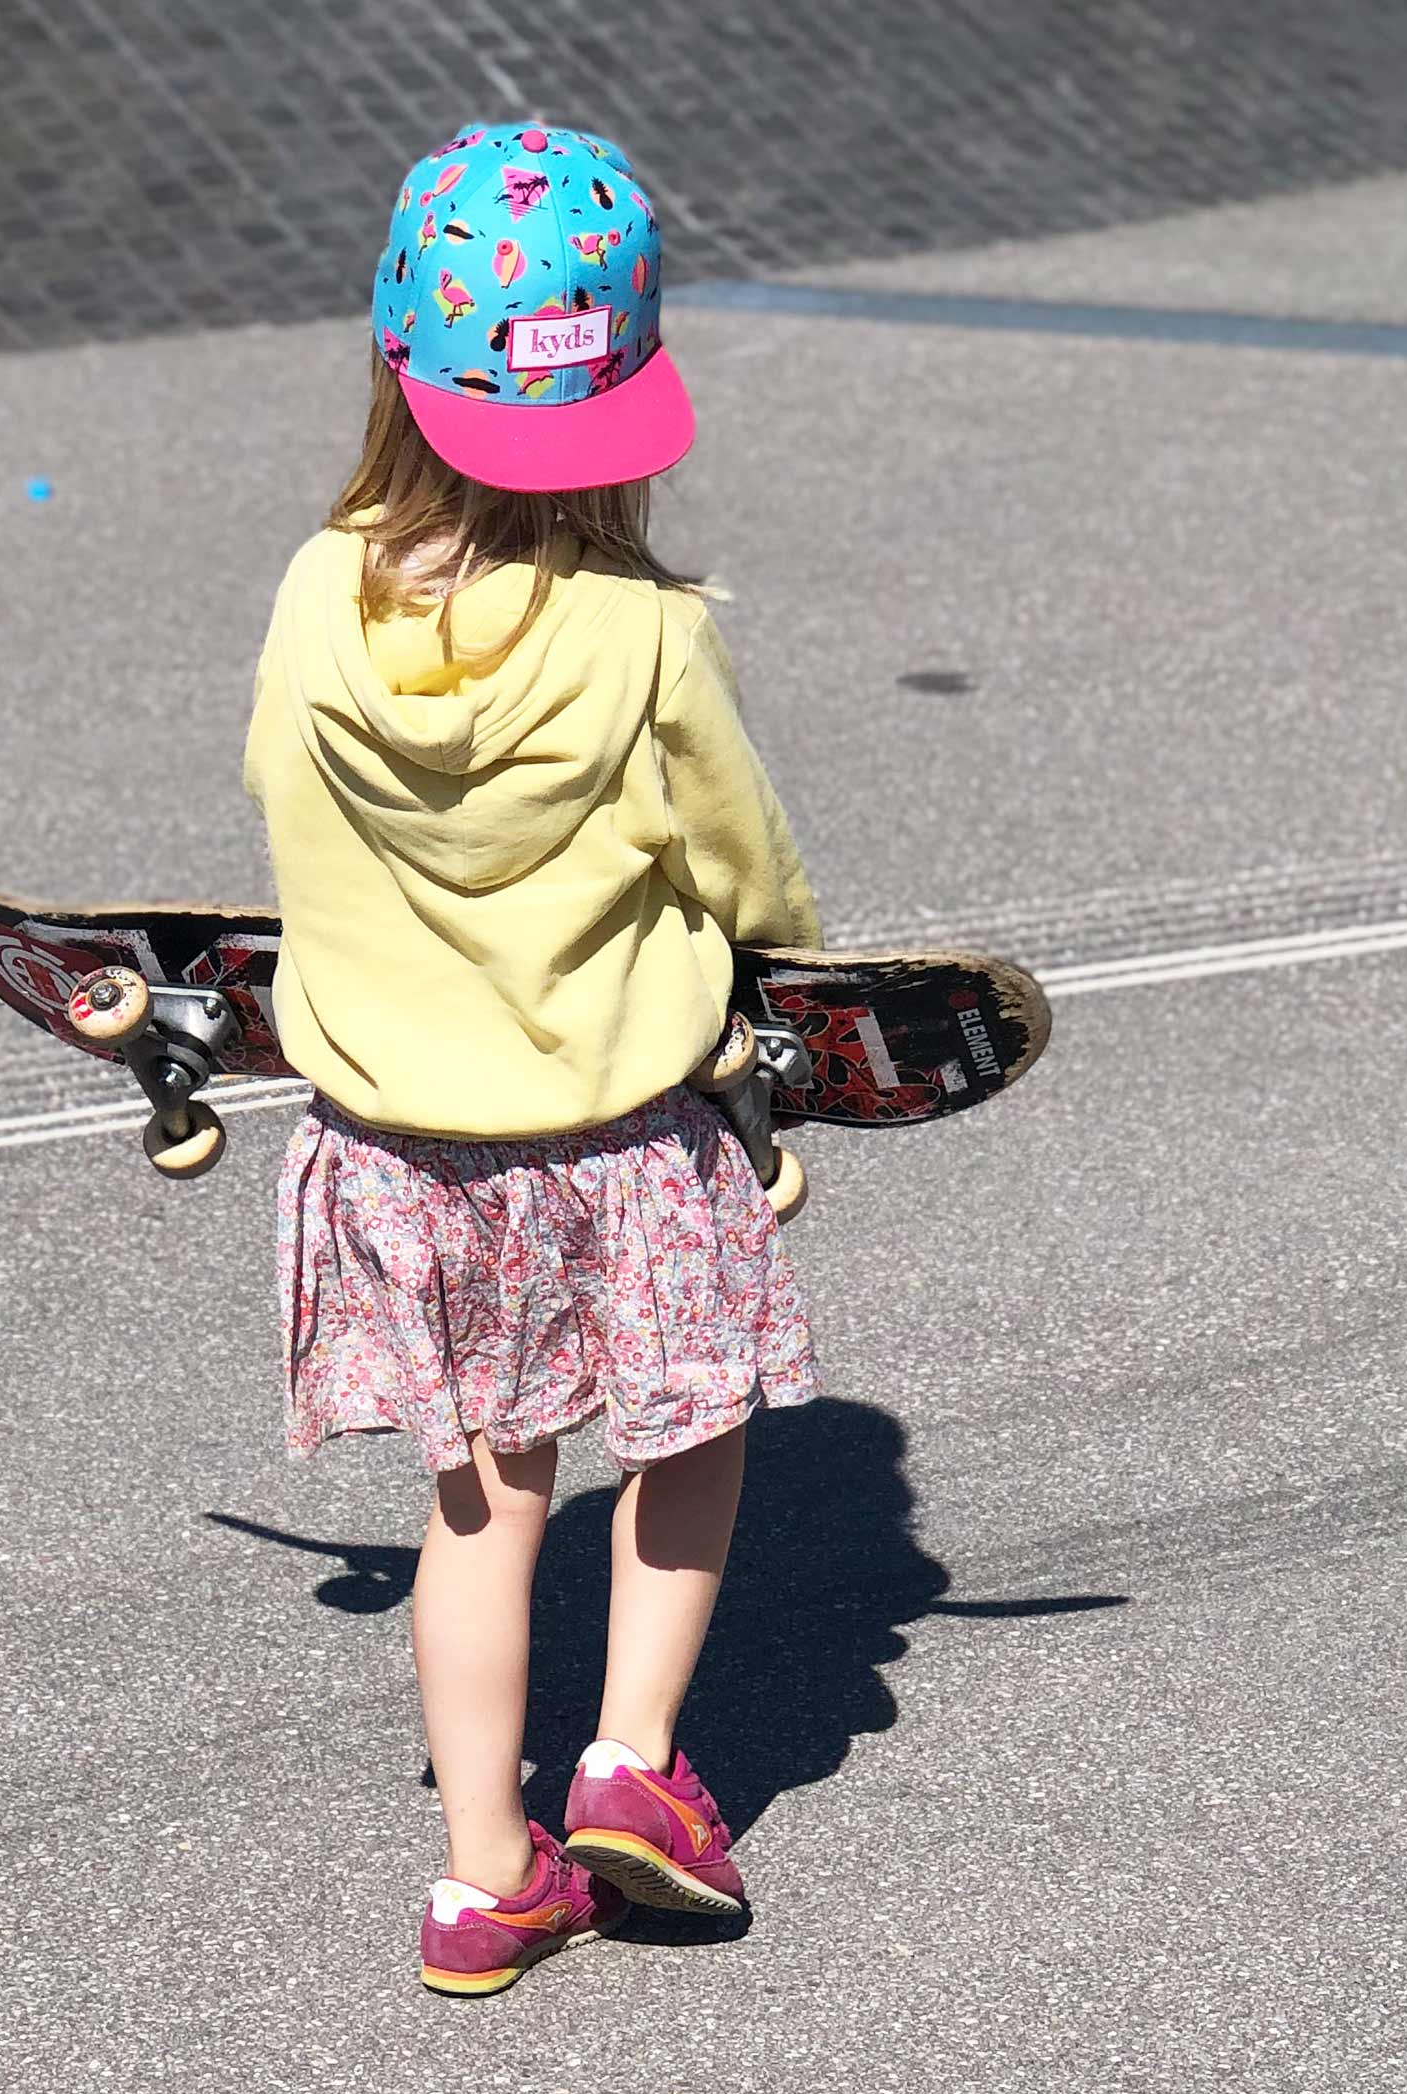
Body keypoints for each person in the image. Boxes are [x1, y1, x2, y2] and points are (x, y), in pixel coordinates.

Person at [242, 119, 823, 1997]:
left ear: (398, 368)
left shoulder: (318, 594)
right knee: (691, 1429)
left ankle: (483, 1873)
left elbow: (281, 813)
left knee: (481, 1503)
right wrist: (779, 979)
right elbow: (736, 858)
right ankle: (634, 1770)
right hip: (625, 1135)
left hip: (405, 1152)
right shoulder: (642, 633)